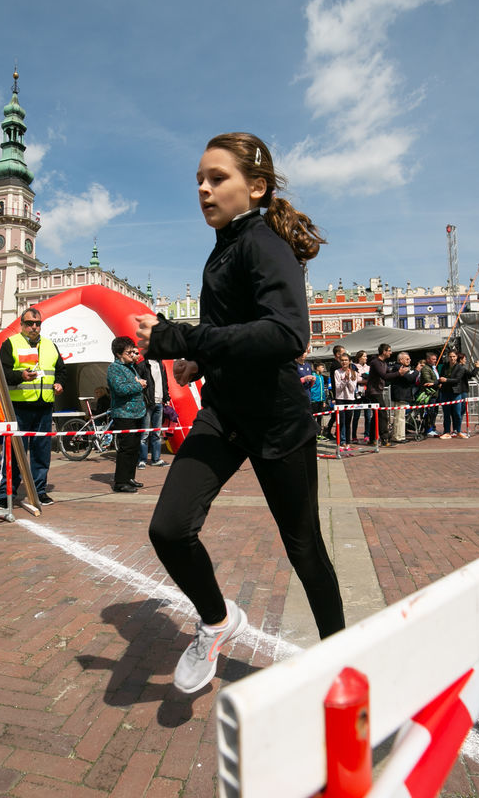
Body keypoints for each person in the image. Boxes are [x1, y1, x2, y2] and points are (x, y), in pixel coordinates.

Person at [136, 132, 345, 694]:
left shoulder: (262, 242)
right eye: (199, 181)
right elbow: (236, 332)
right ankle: (217, 621)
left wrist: (181, 337)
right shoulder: (223, 247)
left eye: (217, 178)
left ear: (255, 187)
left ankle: (342, 666)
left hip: (277, 422)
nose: (203, 189)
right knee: (169, 529)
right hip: (223, 415)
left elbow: (287, 333)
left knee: (306, 550)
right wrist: (198, 362)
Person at [0, 307, 65, 507]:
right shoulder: (11, 343)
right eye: (29, 324)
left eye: (37, 324)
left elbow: (61, 370)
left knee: (41, 452)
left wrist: (60, 383)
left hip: (44, 406)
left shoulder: (51, 345)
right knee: (15, 452)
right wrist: (20, 376)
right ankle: (6, 494)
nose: (34, 327)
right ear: (22, 325)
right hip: (19, 406)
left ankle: (39, 491)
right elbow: (3, 372)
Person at [107, 336, 146, 492]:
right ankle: (120, 482)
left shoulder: (131, 367)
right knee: (126, 448)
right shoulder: (114, 368)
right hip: (124, 414)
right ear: (118, 354)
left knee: (134, 448)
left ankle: (130, 477)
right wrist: (139, 385)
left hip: (137, 413)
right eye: (129, 352)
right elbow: (120, 389)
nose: (132, 354)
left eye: (133, 351)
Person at [137, 353, 170, 469]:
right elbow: (138, 383)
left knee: (157, 433)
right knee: (144, 433)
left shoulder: (161, 364)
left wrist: (166, 397)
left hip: (159, 402)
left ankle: (156, 459)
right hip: (147, 403)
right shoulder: (142, 365)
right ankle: (142, 460)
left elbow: (164, 382)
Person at [437, 351, 479, 438]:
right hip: (445, 392)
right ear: (448, 357)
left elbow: (457, 379)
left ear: (456, 357)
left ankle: (458, 431)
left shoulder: (460, 368)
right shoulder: (445, 366)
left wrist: (446, 380)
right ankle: (447, 431)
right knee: (446, 413)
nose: (452, 358)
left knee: (457, 413)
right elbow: (440, 377)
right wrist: (435, 383)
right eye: (450, 356)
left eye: (454, 356)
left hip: (456, 393)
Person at [362, 344, 392, 447]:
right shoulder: (376, 363)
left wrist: (400, 373)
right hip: (373, 391)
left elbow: (390, 373)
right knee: (382, 414)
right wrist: (399, 373)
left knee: (376, 415)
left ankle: (372, 438)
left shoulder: (384, 363)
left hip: (378, 391)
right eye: (389, 351)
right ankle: (384, 438)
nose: (390, 353)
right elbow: (384, 375)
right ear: (384, 351)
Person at [332, 348, 360, 448]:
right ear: (340, 361)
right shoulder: (337, 372)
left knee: (348, 421)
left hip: (350, 398)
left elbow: (352, 389)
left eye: (346, 360)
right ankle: (341, 441)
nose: (344, 362)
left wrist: (348, 379)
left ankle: (348, 441)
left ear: (349, 361)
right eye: (342, 360)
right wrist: (344, 380)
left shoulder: (354, 373)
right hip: (340, 398)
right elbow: (338, 388)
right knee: (341, 421)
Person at [389, 351, 418, 443]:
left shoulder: (404, 368)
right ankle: (397, 436)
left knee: (402, 417)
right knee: (399, 417)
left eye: (409, 359)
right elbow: (409, 378)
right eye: (407, 359)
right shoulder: (399, 367)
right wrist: (417, 370)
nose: (409, 360)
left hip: (404, 395)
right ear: (400, 360)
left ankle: (401, 435)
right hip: (400, 395)